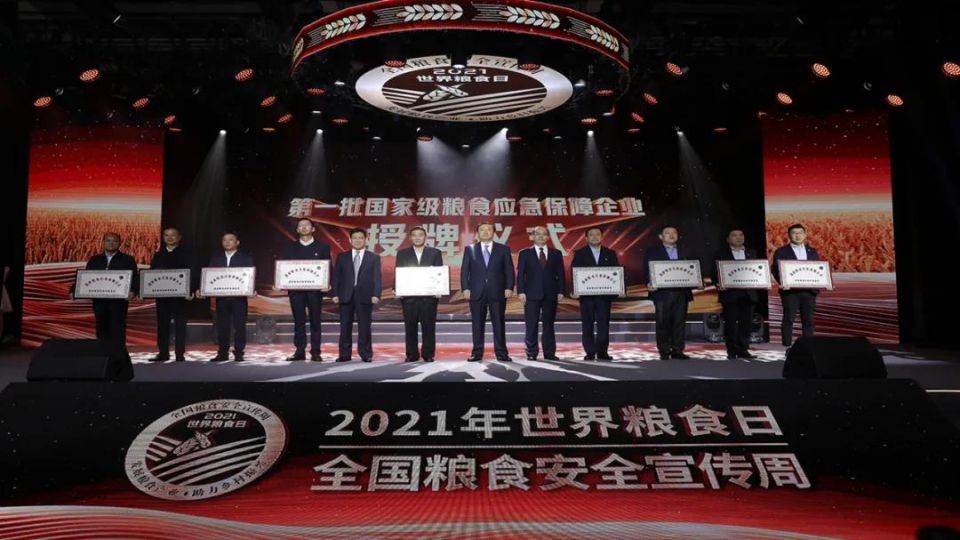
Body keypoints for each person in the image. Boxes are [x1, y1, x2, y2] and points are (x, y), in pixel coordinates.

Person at [73, 232, 139, 352]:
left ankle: (118, 355)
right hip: (100, 301)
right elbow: (86, 277)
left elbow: (135, 277)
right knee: (101, 327)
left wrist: (133, 291)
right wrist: (74, 290)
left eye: (114, 241)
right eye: (108, 240)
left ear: (119, 243)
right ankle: (103, 353)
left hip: (118, 302)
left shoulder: (128, 260)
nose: (111, 243)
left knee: (117, 328)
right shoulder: (95, 260)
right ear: (103, 243)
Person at [460, 222, 515, 362]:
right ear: (477, 233)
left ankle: (502, 353)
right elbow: (465, 271)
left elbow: (509, 270)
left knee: (499, 323)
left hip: (498, 291)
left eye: (488, 229)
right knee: (477, 324)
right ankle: (477, 353)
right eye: (482, 230)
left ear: (493, 232)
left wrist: (509, 287)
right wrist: (465, 288)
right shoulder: (470, 249)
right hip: (476, 291)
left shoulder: (503, 249)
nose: (485, 232)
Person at [643, 225, 697, 360]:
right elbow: (646, 269)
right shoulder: (652, 251)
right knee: (663, 322)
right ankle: (664, 350)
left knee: (679, 321)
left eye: (674, 232)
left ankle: (677, 349)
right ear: (661, 236)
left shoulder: (686, 250)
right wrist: (649, 283)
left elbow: (694, 269)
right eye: (667, 233)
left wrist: (697, 281)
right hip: (661, 292)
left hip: (681, 292)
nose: (671, 235)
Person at [281, 218, 331, 362]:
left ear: (313, 229)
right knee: (299, 321)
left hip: (315, 291)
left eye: (307, 225)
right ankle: (299, 351)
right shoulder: (290, 248)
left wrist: (327, 284)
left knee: (315, 321)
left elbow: (328, 267)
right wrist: (280, 282)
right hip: (296, 291)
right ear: (297, 230)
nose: (303, 227)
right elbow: (284, 268)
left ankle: (316, 351)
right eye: (300, 226)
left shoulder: (322, 247)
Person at [200, 232, 255, 362]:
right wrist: (203, 289)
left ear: (237, 242)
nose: (227, 242)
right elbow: (209, 277)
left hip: (239, 299)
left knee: (239, 326)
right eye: (224, 240)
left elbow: (251, 276)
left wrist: (253, 288)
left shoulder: (245, 258)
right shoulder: (216, 259)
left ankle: (239, 352)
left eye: (231, 240)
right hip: (222, 299)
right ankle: (222, 352)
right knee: (222, 326)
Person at [331, 228, 381, 362]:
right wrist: (335, 293)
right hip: (345, 295)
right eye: (355, 238)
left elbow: (377, 277)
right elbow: (336, 277)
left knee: (364, 327)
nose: (358, 240)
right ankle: (344, 354)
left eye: (361, 238)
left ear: (366, 240)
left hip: (365, 296)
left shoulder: (373, 257)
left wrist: (376, 294)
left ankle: (366, 353)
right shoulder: (342, 257)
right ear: (350, 240)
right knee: (345, 326)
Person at [395, 226, 444, 363]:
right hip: (409, 297)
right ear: (410, 238)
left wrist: (439, 289)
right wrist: (397, 288)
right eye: (414, 235)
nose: (417, 238)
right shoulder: (402, 253)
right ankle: (412, 354)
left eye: (420, 235)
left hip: (429, 297)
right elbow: (398, 272)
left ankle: (428, 354)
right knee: (410, 327)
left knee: (428, 326)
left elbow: (439, 273)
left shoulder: (435, 253)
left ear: (425, 237)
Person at [571, 226, 620, 360]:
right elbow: (574, 272)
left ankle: (602, 352)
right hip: (586, 296)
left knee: (604, 323)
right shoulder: (579, 253)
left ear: (602, 237)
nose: (594, 237)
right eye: (591, 235)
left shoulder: (610, 253)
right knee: (587, 324)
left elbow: (616, 273)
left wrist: (619, 289)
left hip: (604, 296)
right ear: (586, 238)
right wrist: (575, 290)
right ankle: (590, 352)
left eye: (597, 234)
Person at [516, 226, 565, 361]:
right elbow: (520, 275)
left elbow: (560, 274)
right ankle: (531, 352)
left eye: (544, 234)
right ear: (532, 236)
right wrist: (521, 291)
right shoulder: (525, 253)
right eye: (538, 234)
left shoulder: (556, 253)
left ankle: (549, 353)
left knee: (549, 324)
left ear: (548, 237)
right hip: (531, 294)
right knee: (531, 324)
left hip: (551, 293)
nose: (541, 236)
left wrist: (561, 291)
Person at [771, 223, 824, 346]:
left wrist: (824, 282)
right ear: (789, 235)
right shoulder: (781, 251)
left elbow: (818, 269)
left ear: (805, 235)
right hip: (790, 292)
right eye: (794, 233)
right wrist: (783, 282)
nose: (797, 236)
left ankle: (808, 346)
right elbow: (776, 269)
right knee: (789, 319)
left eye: (800, 233)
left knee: (808, 320)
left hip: (809, 291)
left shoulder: (812, 251)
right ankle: (787, 346)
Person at [712, 229, 759, 359]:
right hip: (730, 294)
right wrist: (718, 283)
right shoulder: (720, 254)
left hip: (748, 294)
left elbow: (759, 270)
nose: (738, 237)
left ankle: (743, 349)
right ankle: (732, 350)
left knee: (746, 324)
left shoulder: (752, 253)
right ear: (728, 239)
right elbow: (713, 272)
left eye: (741, 235)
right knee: (730, 324)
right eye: (734, 235)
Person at [148, 227, 193, 362]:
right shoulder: (158, 255)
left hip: (180, 297)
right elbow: (151, 275)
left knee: (180, 325)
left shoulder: (186, 254)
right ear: (163, 238)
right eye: (166, 235)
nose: (170, 238)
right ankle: (163, 353)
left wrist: (190, 290)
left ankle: (180, 354)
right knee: (162, 325)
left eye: (173, 235)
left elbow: (192, 273)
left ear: (179, 237)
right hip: (162, 296)